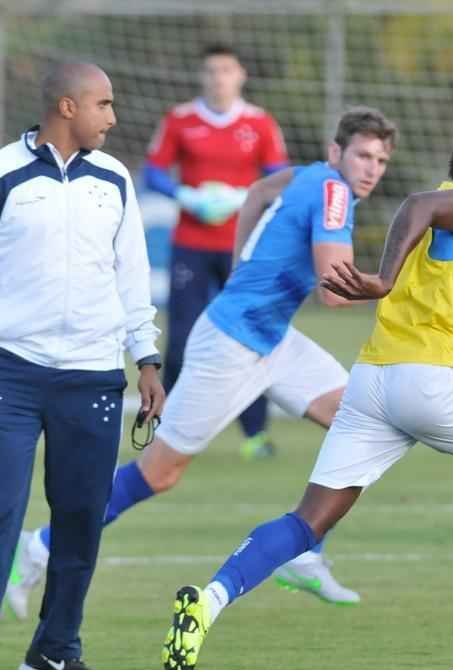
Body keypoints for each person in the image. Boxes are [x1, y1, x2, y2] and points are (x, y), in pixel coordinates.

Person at [160, 127, 453, 670]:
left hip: (372, 384)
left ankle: (208, 601)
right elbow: (417, 205)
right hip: (428, 383)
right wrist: (382, 280)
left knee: (307, 521)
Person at [5, 107, 397, 621]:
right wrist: (402, 283)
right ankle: (39, 546)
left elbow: (257, 194)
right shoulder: (333, 193)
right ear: (335, 152)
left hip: (272, 338)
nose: (371, 168)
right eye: (363, 156)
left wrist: (239, 269)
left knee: (361, 423)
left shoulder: (307, 176)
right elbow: (334, 292)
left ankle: (305, 550)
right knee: (158, 473)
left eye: (381, 160)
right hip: (231, 346)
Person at [0, 62, 165, 670]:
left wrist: (147, 358)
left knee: (81, 517)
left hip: (95, 375)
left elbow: (132, 275)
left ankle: (55, 648)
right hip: (11, 373)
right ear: (67, 107)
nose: (113, 117)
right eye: (103, 104)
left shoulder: (114, 179)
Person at [145, 43, 289, 461]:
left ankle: (256, 435)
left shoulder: (260, 123)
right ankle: (162, 428)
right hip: (190, 245)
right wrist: (186, 196)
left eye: (226, 69)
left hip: (242, 248)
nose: (218, 78)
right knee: (181, 339)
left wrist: (241, 197)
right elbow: (153, 171)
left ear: (240, 75)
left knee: (248, 336)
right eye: (211, 70)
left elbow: (280, 177)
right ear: (201, 76)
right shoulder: (180, 119)